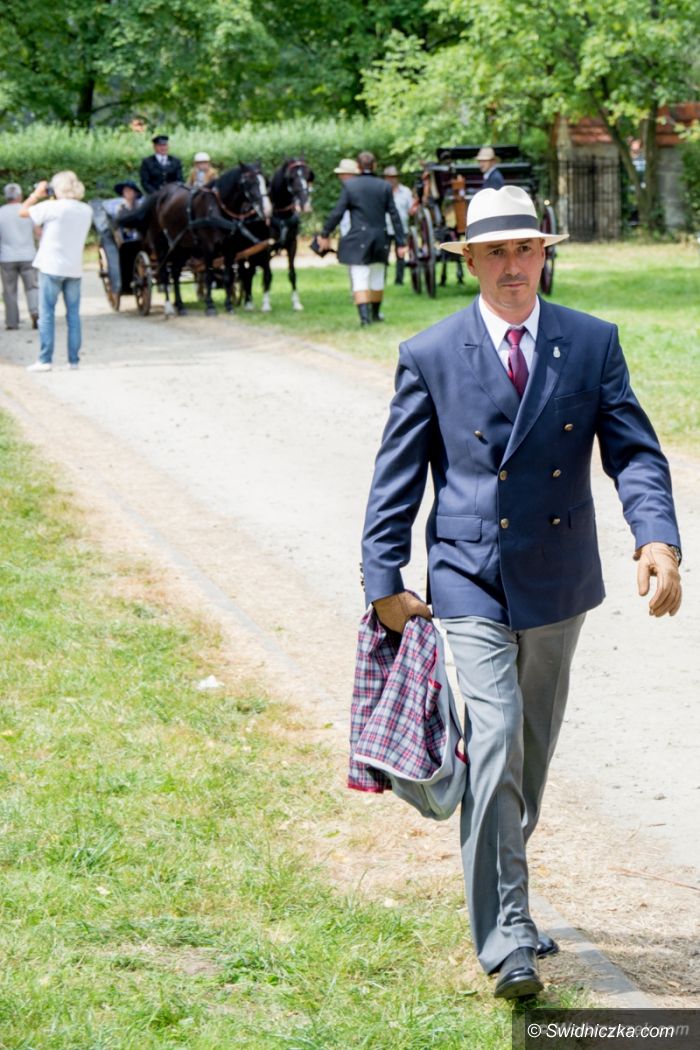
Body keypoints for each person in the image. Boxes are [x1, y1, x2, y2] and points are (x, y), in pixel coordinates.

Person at [360, 185, 681, 1000]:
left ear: (545, 254)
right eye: (496, 251)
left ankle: (508, 893)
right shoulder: (430, 352)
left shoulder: (591, 341)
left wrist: (656, 538)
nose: (513, 266)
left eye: (526, 249)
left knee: (528, 754)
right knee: (496, 737)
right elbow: (396, 477)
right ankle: (507, 939)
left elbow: (634, 452)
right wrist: (383, 581)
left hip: (559, 575)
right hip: (467, 575)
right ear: (469, 260)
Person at [318, 151, 406, 326]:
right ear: (374, 166)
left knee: (360, 277)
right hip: (380, 237)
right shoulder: (384, 186)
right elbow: (394, 215)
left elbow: (337, 212)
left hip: (358, 237)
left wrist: (325, 233)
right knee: (377, 276)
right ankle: (375, 314)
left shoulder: (350, 186)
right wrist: (401, 242)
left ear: (358, 167)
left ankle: (365, 319)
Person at [20, 171, 93, 372]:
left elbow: (23, 212)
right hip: (74, 267)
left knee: (47, 314)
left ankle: (45, 359)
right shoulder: (85, 210)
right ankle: (73, 360)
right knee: (73, 316)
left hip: (51, 266)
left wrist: (36, 194)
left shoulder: (52, 207)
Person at [94, 180, 142, 308]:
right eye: (126, 191)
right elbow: (116, 224)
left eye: (130, 191)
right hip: (124, 240)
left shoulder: (140, 206)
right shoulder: (119, 207)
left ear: (135, 193)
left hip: (139, 238)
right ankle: (122, 285)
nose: (128, 194)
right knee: (125, 249)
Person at [0, 183, 38, 330]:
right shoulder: (29, 210)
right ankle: (35, 312)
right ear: (20, 195)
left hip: (7, 257)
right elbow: (38, 232)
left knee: (9, 290)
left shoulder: (1, 212)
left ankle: (12, 322)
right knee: (32, 287)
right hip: (28, 255)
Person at [383, 165, 413, 285]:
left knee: (400, 255)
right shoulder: (381, 191)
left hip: (401, 228)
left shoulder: (406, 191)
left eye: (393, 177)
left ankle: (399, 280)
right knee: (383, 255)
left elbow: (410, 209)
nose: (391, 179)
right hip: (385, 228)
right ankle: (381, 280)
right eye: (389, 177)